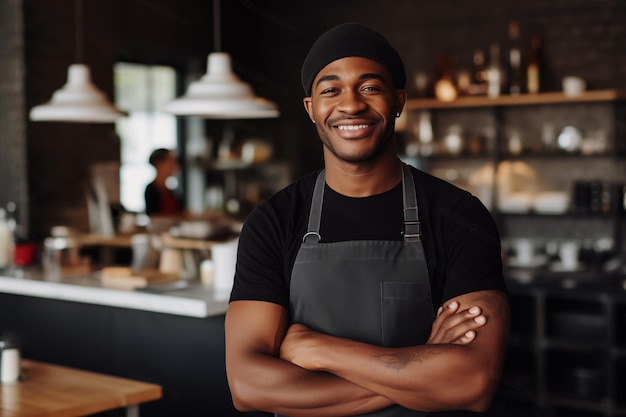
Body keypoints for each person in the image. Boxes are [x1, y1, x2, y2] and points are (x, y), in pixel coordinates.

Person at [225, 22, 510, 417]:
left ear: (398, 100)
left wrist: (318, 349)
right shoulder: (273, 221)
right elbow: (248, 386)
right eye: (330, 90)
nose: (351, 104)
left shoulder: (458, 215)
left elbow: (473, 383)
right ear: (312, 108)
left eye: (370, 87)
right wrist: (426, 369)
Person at [144, 148, 185, 217]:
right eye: (170, 161)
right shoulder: (151, 190)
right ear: (158, 164)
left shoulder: (171, 191)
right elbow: (154, 217)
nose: (174, 165)